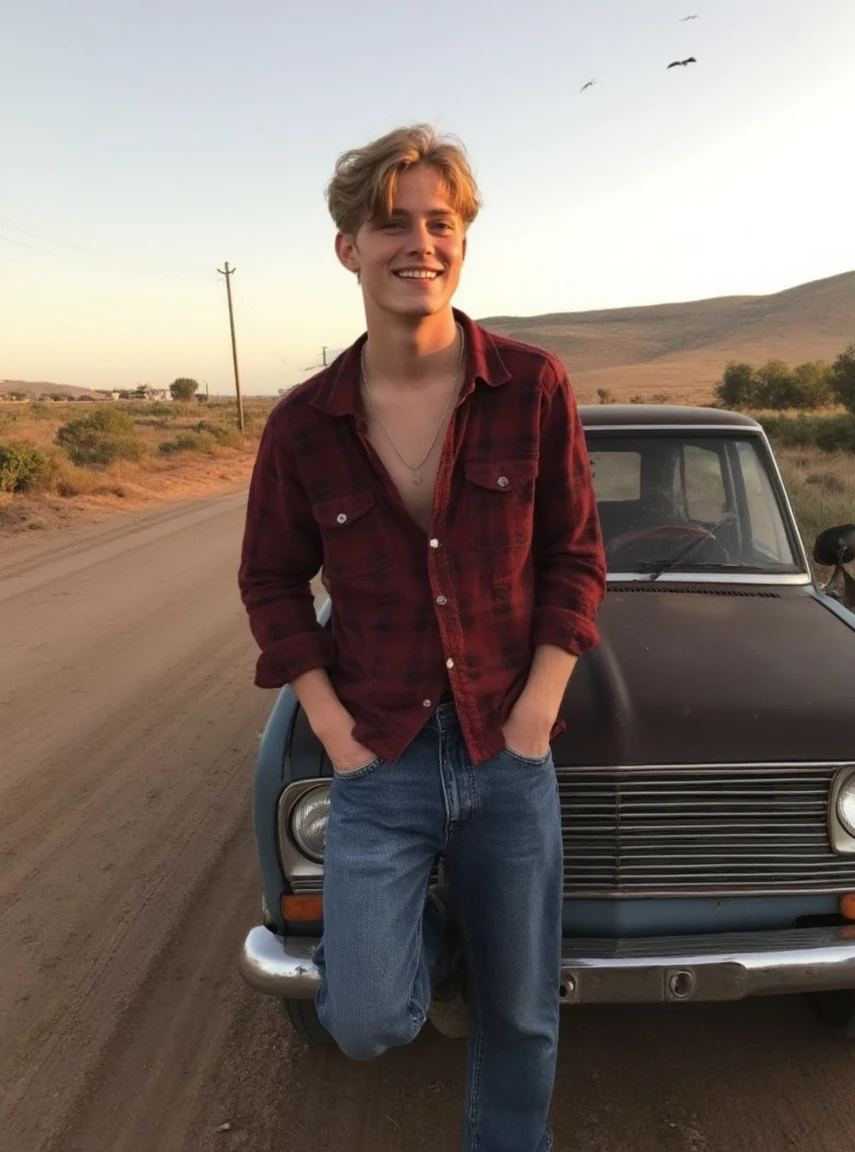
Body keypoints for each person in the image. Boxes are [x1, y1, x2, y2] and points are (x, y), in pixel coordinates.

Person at [238, 123, 606, 1152]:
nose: (418, 242)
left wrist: (535, 710)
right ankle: (432, 945)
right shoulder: (304, 425)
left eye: (438, 221)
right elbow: (269, 581)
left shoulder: (531, 387)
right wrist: (331, 726)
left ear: (463, 238)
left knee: (521, 1011)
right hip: (379, 761)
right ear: (347, 247)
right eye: (389, 222)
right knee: (360, 1018)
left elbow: (575, 558)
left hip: (506, 751)